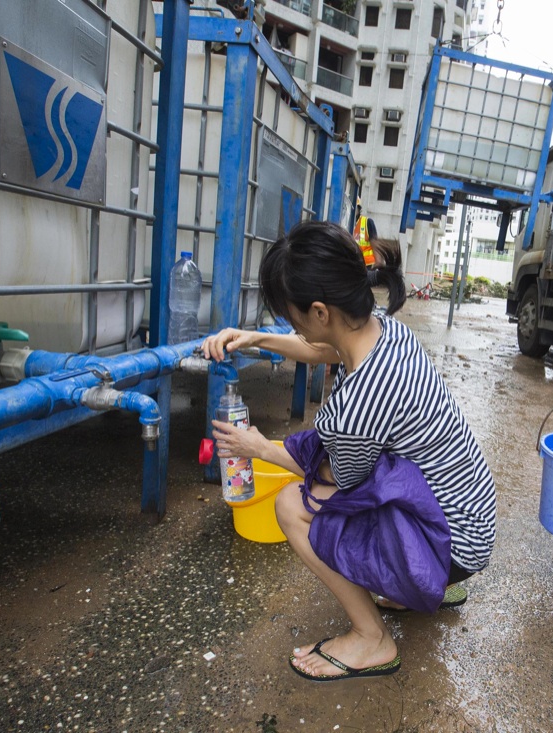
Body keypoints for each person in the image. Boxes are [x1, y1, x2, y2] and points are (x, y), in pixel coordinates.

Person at [201, 220, 497, 680]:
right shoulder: (386, 332)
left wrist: (257, 446)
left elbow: (334, 481)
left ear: (319, 312)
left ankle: (372, 638)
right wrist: (255, 338)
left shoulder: (359, 403)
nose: (290, 324)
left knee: (291, 506)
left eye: (291, 316)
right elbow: (325, 348)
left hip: (452, 544)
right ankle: (419, 590)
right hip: (472, 515)